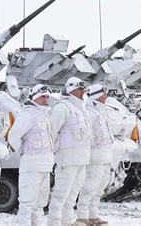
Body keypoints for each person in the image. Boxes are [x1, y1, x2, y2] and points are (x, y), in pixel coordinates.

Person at [48, 77, 92, 226]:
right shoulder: (62, 108)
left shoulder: (81, 108)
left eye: (83, 89)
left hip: (81, 159)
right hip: (67, 160)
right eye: (80, 89)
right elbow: (51, 133)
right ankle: (54, 223)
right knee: (60, 195)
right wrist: (52, 156)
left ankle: (67, 222)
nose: (83, 92)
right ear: (71, 89)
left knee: (72, 196)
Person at [8, 84, 54, 226]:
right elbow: (14, 136)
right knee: (27, 202)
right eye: (42, 97)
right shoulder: (27, 114)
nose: (45, 99)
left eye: (47, 97)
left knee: (40, 202)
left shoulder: (46, 114)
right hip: (32, 164)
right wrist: (18, 150)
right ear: (35, 97)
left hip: (46, 165)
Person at [76, 85, 114, 225]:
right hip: (95, 156)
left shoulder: (103, 111)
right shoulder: (90, 113)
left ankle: (93, 215)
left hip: (106, 156)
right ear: (96, 95)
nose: (106, 96)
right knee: (89, 187)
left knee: (100, 187)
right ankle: (82, 216)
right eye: (104, 94)